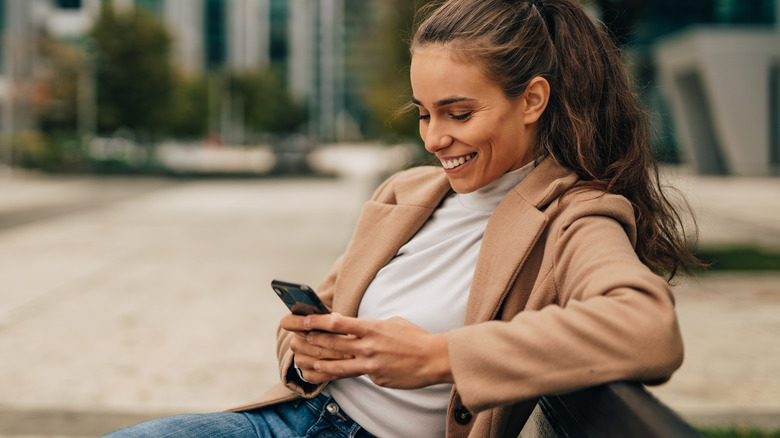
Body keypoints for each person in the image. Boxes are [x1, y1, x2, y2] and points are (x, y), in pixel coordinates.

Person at [104, 0, 701, 436]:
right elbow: (319, 315)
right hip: (293, 419)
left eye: (458, 114)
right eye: (423, 114)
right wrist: (306, 354)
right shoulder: (406, 194)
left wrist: (441, 356)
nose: (435, 139)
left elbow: (647, 327)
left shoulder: (575, 217)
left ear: (532, 100)